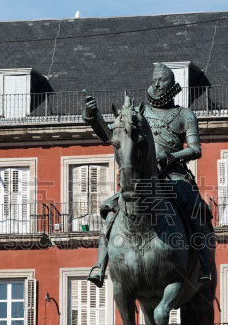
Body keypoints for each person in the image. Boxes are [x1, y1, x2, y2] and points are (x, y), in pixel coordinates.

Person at [82, 63, 214, 288]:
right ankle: (100, 265)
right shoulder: (140, 114)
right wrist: (93, 117)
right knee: (113, 213)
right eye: (154, 79)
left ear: (172, 85)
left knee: (196, 214)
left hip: (174, 176)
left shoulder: (184, 115)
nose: (156, 83)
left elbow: (195, 149)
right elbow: (112, 137)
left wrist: (169, 156)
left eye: (161, 80)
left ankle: (204, 268)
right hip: (142, 178)